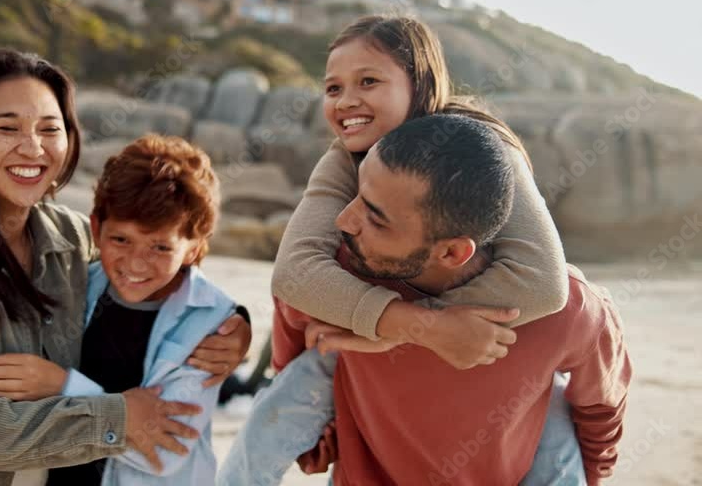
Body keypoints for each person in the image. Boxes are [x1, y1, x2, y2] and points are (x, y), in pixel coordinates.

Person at [0, 50, 251, 486]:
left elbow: (150, 276)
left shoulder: (71, 239)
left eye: (49, 129)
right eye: (7, 128)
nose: (33, 147)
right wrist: (118, 417)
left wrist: (231, 330)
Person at [226, 115, 631, 485]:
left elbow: (598, 408)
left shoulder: (568, 313)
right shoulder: (335, 284)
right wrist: (316, 438)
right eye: (356, 193)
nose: (343, 221)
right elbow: (294, 359)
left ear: (453, 252)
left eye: (376, 218)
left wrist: (592, 476)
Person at [0, 134, 242, 485]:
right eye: (121, 240)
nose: (136, 263)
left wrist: (59, 384)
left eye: (160, 247)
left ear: (193, 248)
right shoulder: (76, 284)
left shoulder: (210, 323)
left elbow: (163, 450)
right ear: (96, 229)